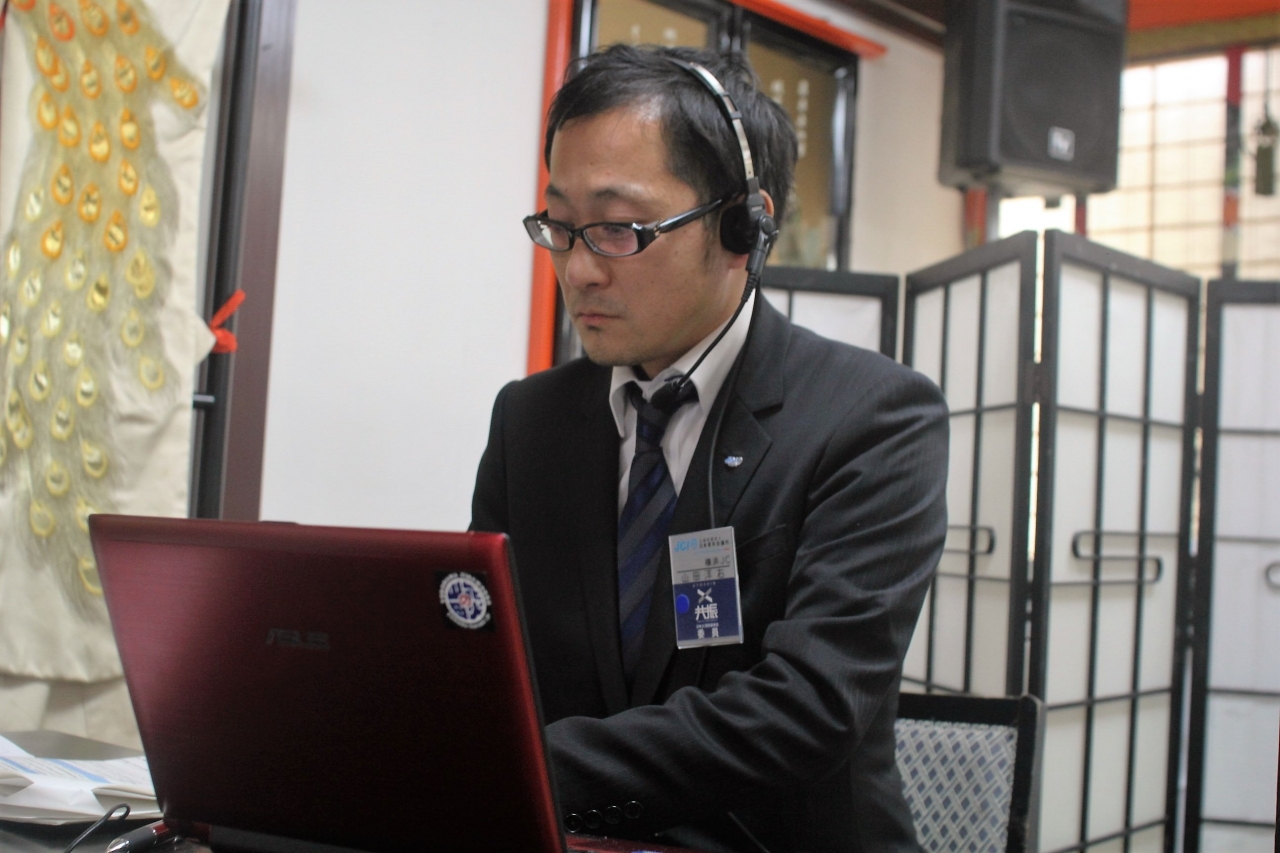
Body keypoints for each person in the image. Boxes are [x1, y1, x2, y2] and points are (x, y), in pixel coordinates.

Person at [471, 43, 948, 853]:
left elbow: (807, 708)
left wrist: (519, 766)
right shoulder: (531, 421)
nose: (578, 270)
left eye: (618, 229)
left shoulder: (873, 418)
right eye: (561, 226)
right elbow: (486, 661)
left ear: (741, 227)